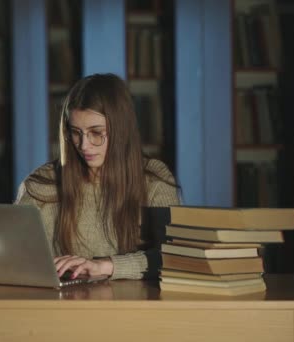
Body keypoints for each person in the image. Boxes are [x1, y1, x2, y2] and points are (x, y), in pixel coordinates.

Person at [14, 73, 180, 280]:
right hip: (63, 306)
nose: (84, 145)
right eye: (76, 132)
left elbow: (175, 257)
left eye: (96, 132)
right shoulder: (41, 183)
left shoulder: (154, 180)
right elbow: (13, 256)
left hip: (133, 307)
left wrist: (105, 266)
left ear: (121, 131)